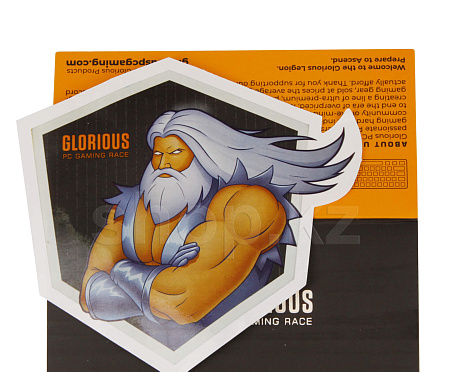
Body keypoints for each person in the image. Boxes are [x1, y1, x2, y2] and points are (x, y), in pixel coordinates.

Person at [79, 109, 352, 349]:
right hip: (149, 352)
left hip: (241, 346)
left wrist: (119, 270)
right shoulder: (129, 208)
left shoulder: (247, 204)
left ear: (203, 154)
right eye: (158, 154)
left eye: (175, 153)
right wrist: (160, 277)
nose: (162, 164)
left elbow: (184, 303)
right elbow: (89, 297)